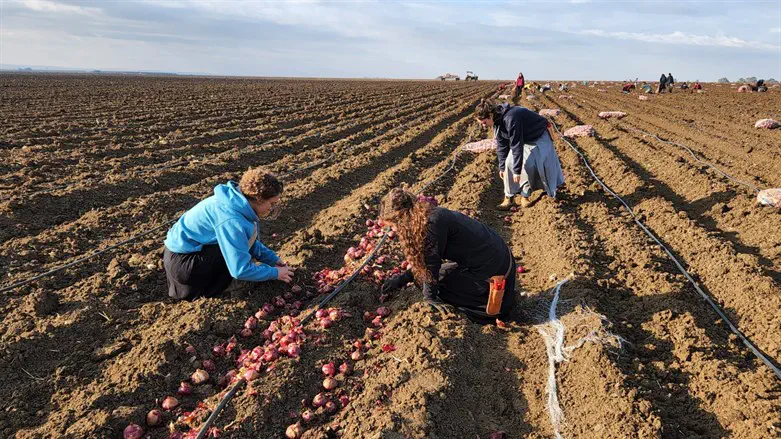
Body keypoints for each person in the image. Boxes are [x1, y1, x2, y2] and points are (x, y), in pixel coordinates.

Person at [378, 188, 516, 323]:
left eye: (393, 225)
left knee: (429, 282)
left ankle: (485, 309)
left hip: (495, 278)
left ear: (401, 217)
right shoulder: (431, 215)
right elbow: (428, 261)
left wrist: (429, 298)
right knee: (438, 274)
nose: (394, 230)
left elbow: (430, 267)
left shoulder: (430, 225)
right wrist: (402, 279)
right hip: (500, 262)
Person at [162, 168, 294, 300]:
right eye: (271, 203)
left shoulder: (238, 202)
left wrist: (273, 260)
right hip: (184, 264)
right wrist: (275, 273)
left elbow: (250, 241)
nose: (272, 208)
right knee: (236, 256)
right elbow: (239, 269)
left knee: (239, 248)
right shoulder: (231, 220)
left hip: (193, 253)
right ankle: (223, 288)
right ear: (259, 199)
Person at [474, 100, 565, 210]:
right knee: (508, 163)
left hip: (538, 134)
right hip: (523, 137)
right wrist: (502, 167)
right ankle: (508, 198)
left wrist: (517, 171)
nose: (484, 126)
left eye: (484, 122)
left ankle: (525, 196)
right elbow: (502, 145)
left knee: (529, 165)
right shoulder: (497, 121)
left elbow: (516, 145)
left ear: (491, 115)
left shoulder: (511, 118)